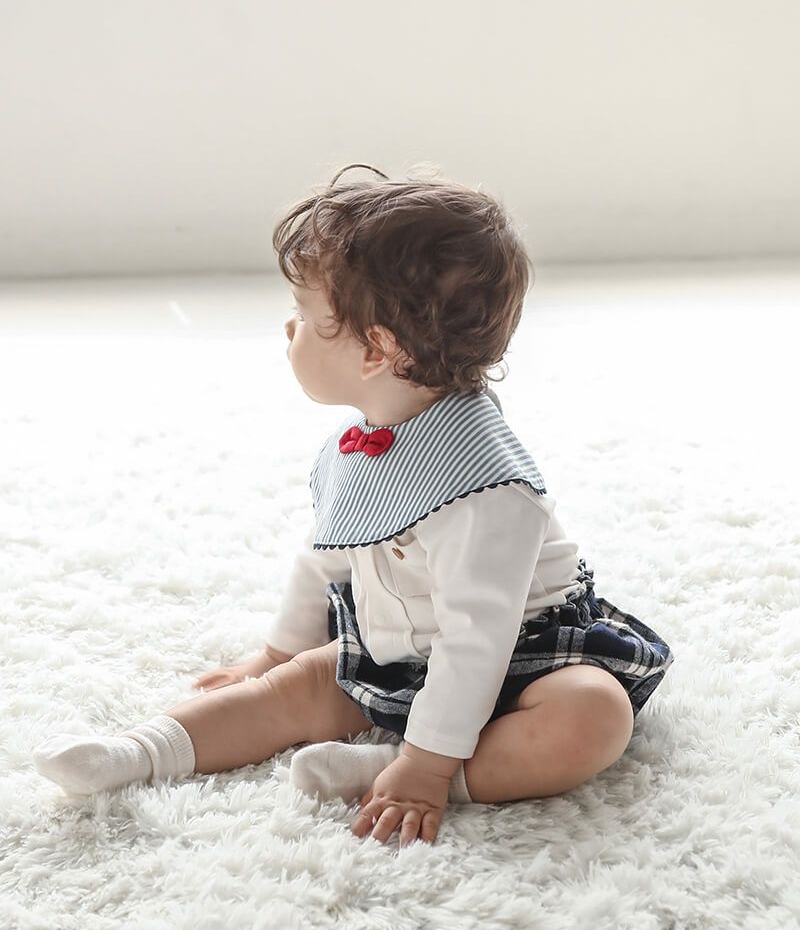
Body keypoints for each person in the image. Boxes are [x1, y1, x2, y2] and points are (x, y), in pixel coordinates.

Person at [32, 163, 675, 850]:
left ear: (377, 351)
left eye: (308, 319)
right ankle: (136, 753)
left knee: (591, 719)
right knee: (288, 690)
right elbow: (327, 555)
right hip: (396, 645)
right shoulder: (368, 440)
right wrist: (274, 655)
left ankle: (410, 769)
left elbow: (476, 639)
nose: (289, 328)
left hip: (525, 656)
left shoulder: (486, 488)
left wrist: (427, 766)